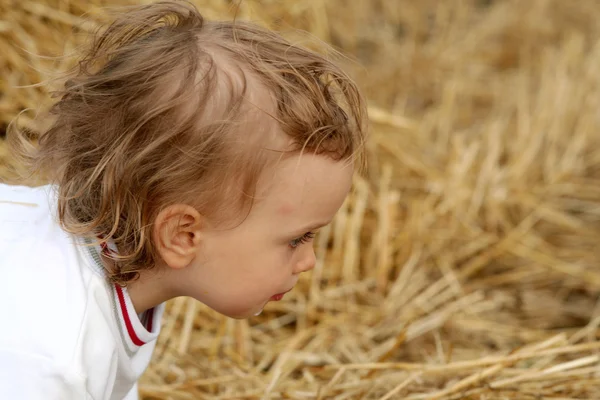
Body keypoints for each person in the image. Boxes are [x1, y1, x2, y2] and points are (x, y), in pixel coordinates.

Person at [0, 1, 366, 399]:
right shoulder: (49, 356)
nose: (309, 261)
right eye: (297, 238)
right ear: (182, 236)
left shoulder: (108, 268)